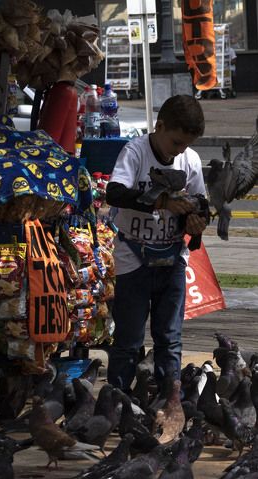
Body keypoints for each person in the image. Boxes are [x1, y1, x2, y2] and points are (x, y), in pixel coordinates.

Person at [104, 95, 209, 392]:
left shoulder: (190, 160)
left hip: (173, 258)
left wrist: (197, 223)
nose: (181, 150)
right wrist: (161, 201)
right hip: (132, 258)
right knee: (128, 339)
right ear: (159, 126)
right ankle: (118, 401)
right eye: (176, 143)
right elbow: (114, 193)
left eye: (186, 144)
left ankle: (168, 400)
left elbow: (201, 206)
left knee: (169, 338)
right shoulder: (135, 152)